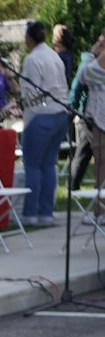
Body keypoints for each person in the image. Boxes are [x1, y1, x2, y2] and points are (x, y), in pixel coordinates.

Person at [18, 20, 71, 228]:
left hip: (40, 116)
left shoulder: (32, 59)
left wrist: (21, 102)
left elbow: (31, 94)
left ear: (28, 38)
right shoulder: (54, 56)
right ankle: (46, 212)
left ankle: (31, 213)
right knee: (49, 164)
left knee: (32, 165)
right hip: (61, 113)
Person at [70, 31, 105, 208]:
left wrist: (90, 55)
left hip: (99, 119)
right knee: (99, 163)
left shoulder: (95, 65)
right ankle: (100, 209)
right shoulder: (95, 66)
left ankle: (100, 210)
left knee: (100, 164)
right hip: (96, 119)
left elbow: (85, 76)